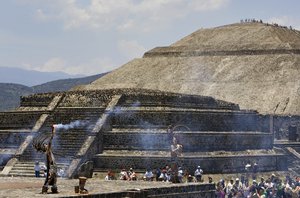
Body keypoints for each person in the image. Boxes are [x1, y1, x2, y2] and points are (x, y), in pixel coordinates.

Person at [33, 125, 58, 194]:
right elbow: (50, 141)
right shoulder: (48, 151)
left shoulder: (48, 151)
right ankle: (45, 188)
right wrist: (53, 131)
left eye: (46, 144)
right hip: (52, 166)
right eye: (45, 145)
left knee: (54, 179)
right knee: (50, 178)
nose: (46, 145)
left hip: (53, 166)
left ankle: (54, 189)